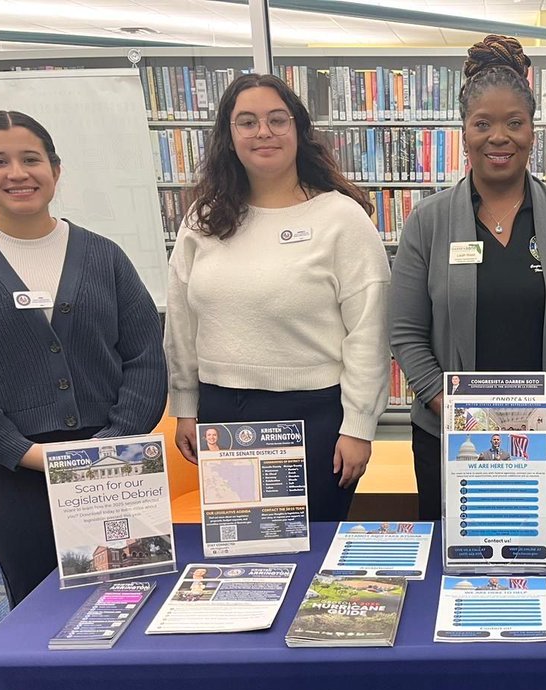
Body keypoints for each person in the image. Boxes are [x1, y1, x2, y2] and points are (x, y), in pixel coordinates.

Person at [0, 110, 166, 608]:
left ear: (56, 169)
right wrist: (29, 454)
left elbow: (145, 356)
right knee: (37, 608)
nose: (17, 173)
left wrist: (107, 446)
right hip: (8, 473)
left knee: (126, 597)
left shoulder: (104, 256)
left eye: (31, 159)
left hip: (108, 467)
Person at [390, 35, 546, 520]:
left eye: (514, 122)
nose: (499, 137)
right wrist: (462, 420)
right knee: (455, 555)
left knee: (528, 551)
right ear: (463, 132)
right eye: (482, 123)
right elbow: (405, 332)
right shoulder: (427, 220)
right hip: (449, 434)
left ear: (532, 131)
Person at [165, 73, 389, 522]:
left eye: (276, 119)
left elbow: (369, 331)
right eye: (246, 122)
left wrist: (360, 426)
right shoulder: (203, 218)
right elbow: (181, 321)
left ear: (299, 131)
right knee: (242, 555)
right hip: (223, 413)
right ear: (228, 138)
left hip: (316, 417)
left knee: (311, 555)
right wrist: (185, 405)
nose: (263, 132)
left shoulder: (340, 218)